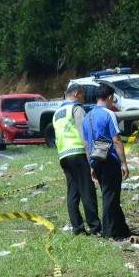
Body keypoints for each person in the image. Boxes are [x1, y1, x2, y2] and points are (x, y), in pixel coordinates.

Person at [81, 84, 134, 240]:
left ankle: (123, 230)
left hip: (95, 160)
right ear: (110, 97)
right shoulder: (109, 114)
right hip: (109, 159)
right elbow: (117, 141)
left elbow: (86, 145)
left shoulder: (86, 117)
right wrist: (124, 163)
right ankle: (108, 232)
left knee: (110, 195)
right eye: (113, 99)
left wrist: (91, 165)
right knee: (110, 197)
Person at [54, 84, 101, 235]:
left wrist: (61, 159)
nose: (84, 98)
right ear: (75, 93)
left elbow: (57, 138)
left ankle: (77, 228)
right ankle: (94, 227)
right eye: (82, 95)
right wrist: (91, 160)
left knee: (73, 192)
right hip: (78, 153)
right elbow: (84, 134)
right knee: (87, 190)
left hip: (64, 156)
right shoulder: (76, 109)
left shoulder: (57, 113)